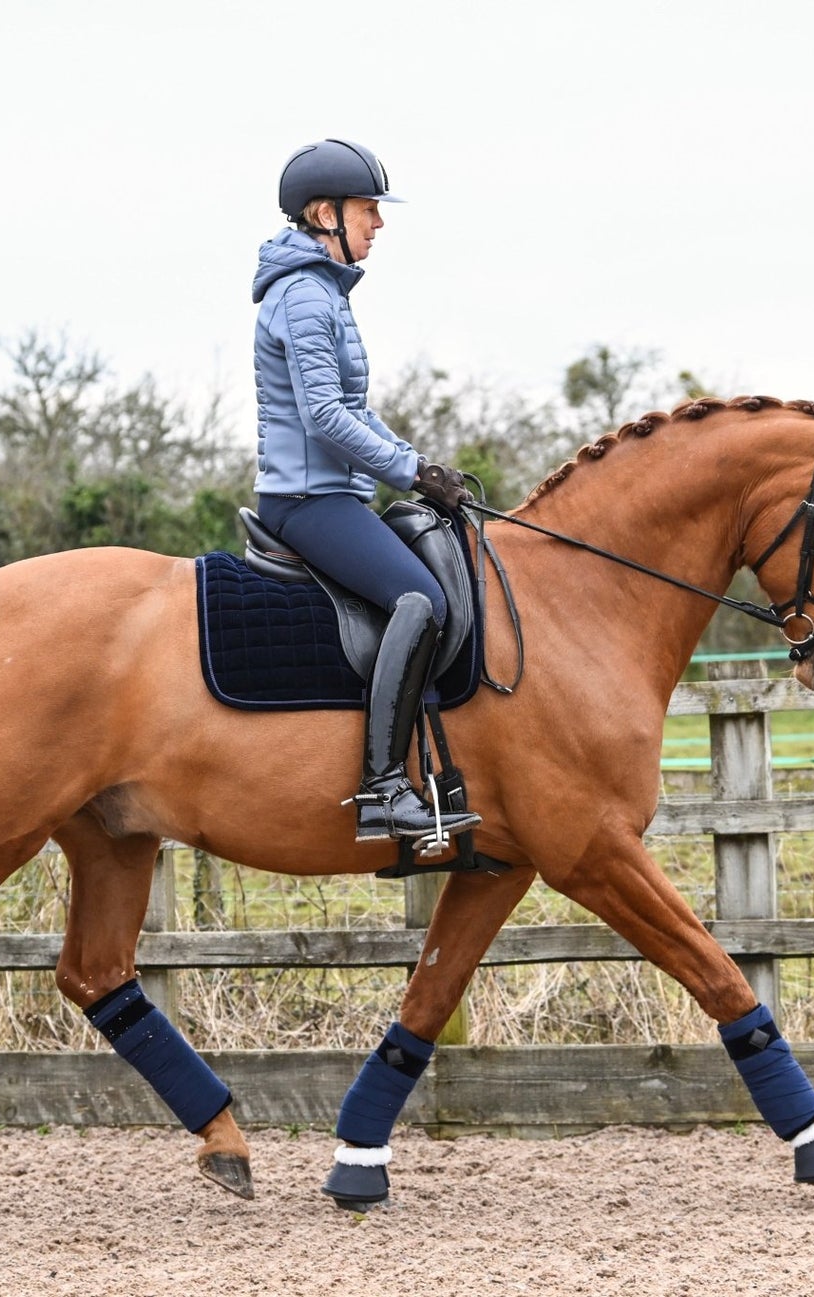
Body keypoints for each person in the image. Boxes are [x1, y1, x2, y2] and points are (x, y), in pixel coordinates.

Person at [252, 138, 480, 844]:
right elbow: (323, 415)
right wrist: (409, 474)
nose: (378, 223)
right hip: (307, 500)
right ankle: (383, 787)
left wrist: (419, 465)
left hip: (338, 494)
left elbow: (354, 407)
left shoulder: (325, 292)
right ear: (325, 213)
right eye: (367, 209)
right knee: (422, 598)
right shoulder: (303, 296)